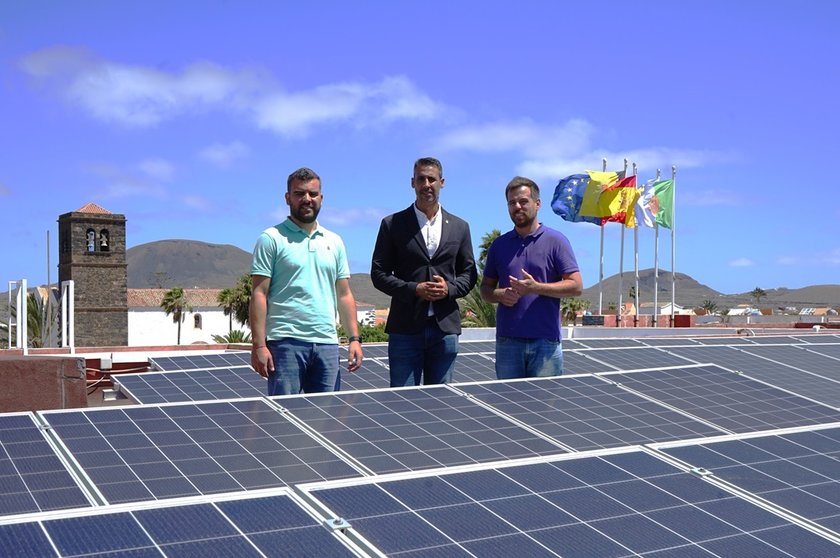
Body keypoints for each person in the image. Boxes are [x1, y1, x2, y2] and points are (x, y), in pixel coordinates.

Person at [250, 167, 363, 395]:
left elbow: (344, 294)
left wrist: (354, 339)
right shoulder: (271, 238)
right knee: (284, 421)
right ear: (287, 197)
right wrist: (259, 345)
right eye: (300, 193)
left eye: (312, 194)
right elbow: (259, 294)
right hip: (285, 343)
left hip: (327, 344)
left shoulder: (335, 241)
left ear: (321, 197)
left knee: (325, 419)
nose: (307, 199)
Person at [371, 157, 477, 386]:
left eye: (432, 179)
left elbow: (469, 274)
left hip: (445, 329)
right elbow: (378, 273)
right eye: (421, 179)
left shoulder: (460, 227)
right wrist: (413, 289)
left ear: (442, 182)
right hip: (405, 329)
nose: (427, 184)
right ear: (413, 183)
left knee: (441, 404)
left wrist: (448, 289)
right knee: (403, 403)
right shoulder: (392, 224)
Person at [480, 176, 583, 378]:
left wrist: (535, 287)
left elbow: (576, 286)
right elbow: (485, 289)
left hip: (545, 343)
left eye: (523, 201)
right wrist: (500, 295)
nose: (517, 207)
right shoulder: (499, 245)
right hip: (508, 342)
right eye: (512, 203)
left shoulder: (556, 241)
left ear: (537, 204)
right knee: (507, 406)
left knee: (544, 408)